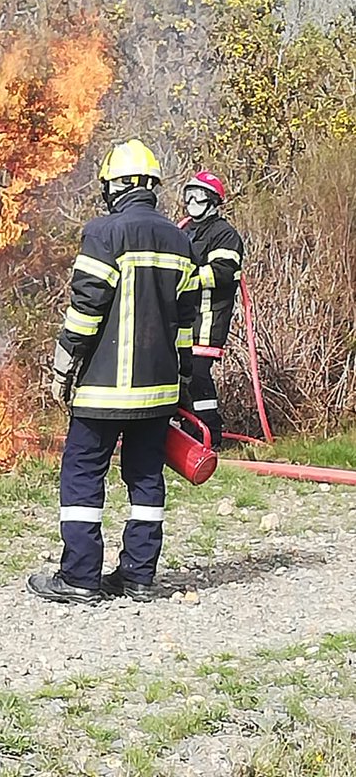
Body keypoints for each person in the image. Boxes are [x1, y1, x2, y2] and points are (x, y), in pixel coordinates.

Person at [26, 139, 198, 605]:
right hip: (159, 390)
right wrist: (181, 380)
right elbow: (186, 322)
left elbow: (86, 309)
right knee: (146, 479)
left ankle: (80, 577)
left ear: (115, 187)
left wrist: (63, 366)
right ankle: (139, 576)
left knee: (83, 472)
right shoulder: (179, 239)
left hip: (103, 389)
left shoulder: (104, 234)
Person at [180, 170, 244, 450]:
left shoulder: (224, 234)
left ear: (214, 201)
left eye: (200, 195)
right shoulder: (183, 231)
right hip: (182, 321)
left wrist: (181, 278)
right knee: (180, 376)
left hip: (207, 320)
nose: (193, 201)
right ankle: (186, 433)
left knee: (198, 377)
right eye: (188, 194)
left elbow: (221, 273)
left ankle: (209, 437)